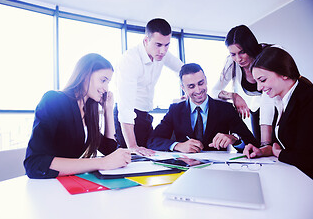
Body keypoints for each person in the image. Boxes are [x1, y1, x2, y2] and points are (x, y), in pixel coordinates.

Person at [24, 53, 131, 179]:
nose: (106, 88)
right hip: (47, 185)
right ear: (85, 75)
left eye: (108, 83)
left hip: (69, 183)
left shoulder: (89, 112)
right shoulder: (54, 100)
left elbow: (110, 151)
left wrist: (108, 109)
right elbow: (34, 163)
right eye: (103, 80)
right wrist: (100, 163)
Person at [147, 63, 258, 153]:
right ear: (183, 88)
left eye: (201, 83)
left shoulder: (226, 109)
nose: (198, 90)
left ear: (206, 80)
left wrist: (234, 139)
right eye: (191, 86)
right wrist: (178, 146)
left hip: (218, 169)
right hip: (186, 169)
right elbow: (153, 141)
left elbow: (252, 143)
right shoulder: (175, 110)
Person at [114, 18, 184, 156]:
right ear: (146, 40)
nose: (163, 51)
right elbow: (125, 108)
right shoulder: (130, 60)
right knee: (132, 158)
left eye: (167, 45)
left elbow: (182, 69)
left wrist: (189, 90)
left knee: (151, 156)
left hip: (145, 115)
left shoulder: (161, 53)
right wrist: (133, 146)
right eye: (158, 45)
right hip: (127, 118)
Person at [243, 47, 313, 179]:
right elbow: (292, 144)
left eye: (262, 80)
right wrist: (265, 151)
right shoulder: (281, 100)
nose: (259, 88)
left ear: (284, 74)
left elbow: (306, 157)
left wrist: (279, 154)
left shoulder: (308, 98)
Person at [211, 25, 275, 149]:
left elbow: (268, 100)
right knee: (257, 148)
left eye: (242, 52)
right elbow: (214, 91)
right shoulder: (232, 63)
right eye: (233, 54)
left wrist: (265, 144)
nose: (238, 59)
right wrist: (233, 96)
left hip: (276, 107)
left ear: (250, 47)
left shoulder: (267, 54)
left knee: (274, 148)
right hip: (257, 111)